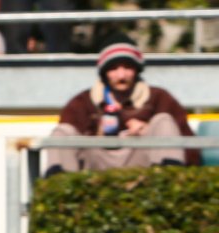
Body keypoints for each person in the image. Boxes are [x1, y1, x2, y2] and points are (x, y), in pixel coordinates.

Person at [45, 42, 195, 175]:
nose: (121, 75)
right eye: (114, 69)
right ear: (104, 74)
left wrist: (147, 131)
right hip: (96, 162)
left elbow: (190, 147)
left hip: (144, 164)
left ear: (137, 71)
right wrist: (97, 133)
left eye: (128, 68)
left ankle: (170, 187)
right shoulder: (83, 101)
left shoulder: (159, 97)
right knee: (62, 132)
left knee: (164, 121)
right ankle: (60, 193)